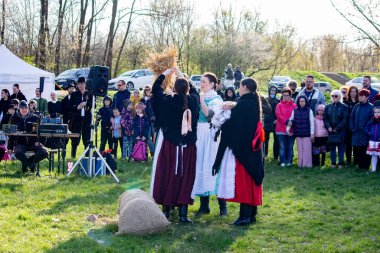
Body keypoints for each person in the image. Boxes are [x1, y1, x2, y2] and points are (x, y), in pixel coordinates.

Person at [212, 77, 264, 226]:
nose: (238, 88)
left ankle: (245, 216)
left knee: (245, 182)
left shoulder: (244, 103)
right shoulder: (253, 101)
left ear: (245, 87)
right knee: (251, 180)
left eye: (240, 86)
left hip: (244, 149)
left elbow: (234, 126)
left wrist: (222, 121)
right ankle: (251, 214)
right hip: (251, 149)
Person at [151, 67, 199, 223]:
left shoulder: (168, 101)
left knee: (168, 174)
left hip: (171, 145)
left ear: (175, 89)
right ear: (188, 88)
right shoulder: (193, 100)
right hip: (188, 146)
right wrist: (180, 74)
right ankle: (183, 215)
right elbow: (195, 90)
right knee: (185, 177)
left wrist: (165, 74)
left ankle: (166, 211)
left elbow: (155, 90)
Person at [191, 72, 227, 217]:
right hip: (199, 134)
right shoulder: (201, 95)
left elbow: (209, 115)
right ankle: (204, 205)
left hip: (211, 134)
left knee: (213, 167)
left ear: (212, 84)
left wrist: (201, 100)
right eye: (200, 81)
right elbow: (188, 82)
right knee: (200, 166)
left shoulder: (217, 99)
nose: (202, 83)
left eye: (204, 81)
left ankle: (223, 206)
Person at [8, 100, 48, 173]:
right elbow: (11, 134)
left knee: (44, 152)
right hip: (20, 143)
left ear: (28, 108)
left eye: (26, 108)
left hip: (34, 143)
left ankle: (28, 164)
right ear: (19, 108)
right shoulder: (14, 118)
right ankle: (32, 166)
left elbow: (42, 131)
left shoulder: (35, 118)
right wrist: (10, 147)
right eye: (22, 108)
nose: (24, 110)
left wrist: (40, 142)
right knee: (18, 152)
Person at [287, 95, 314, 168]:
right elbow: (291, 120)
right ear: (298, 102)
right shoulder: (295, 110)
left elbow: (312, 123)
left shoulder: (309, 111)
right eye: (300, 101)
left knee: (307, 150)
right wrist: (287, 129)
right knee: (300, 150)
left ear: (306, 102)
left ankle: (307, 165)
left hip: (307, 134)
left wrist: (312, 134)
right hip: (298, 133)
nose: (301, 102)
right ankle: (300, 164)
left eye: (303, 101)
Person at [350, 89, 373, 170]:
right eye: (359, 95)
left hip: (365, 134)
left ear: (367, 97)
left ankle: (365, 167)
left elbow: (371, 120)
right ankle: (357, 166)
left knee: (364, 151)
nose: (360, 97)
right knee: (356, 149)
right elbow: (351, 117)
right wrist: (352, 128)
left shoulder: (371, 107)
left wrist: (366, 130)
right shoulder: (356, 106)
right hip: (356, 133)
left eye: (362, 96)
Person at [69, 77, 92, 158]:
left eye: (82, 84)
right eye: (78, 84)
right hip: (76, 120)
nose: (80, 86)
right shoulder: (74, 94)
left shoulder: (89, 94)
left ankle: (87, 157)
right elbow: (70, 107)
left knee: (86, 139)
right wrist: (77, 107)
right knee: (75, 140)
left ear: (85, 84)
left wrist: (86, 104)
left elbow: (94, 105)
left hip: (87, 120)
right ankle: (73, 156)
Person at [324, 90, 348, 168]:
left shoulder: (344, 106)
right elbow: (325, 118)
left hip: (340, 131)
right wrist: (328, 127)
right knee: (332, 148)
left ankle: (340, 163)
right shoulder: (328, 107)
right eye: (332, 96)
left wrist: (337, 128)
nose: (334, 97)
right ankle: (333, 163)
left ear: (340, 97)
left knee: (341, 148)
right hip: (331, 131)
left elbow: (345, 119)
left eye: (336, 96)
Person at [275, 87, 297, 167]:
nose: (285, 97)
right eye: (283, 95)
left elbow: (296, 116)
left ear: (290, 96)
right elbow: (279, 115)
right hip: (280, 129)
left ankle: (289, 161)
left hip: (291, 129)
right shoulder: (279, 105)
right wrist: (287, 121)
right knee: (282, 146)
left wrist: (292, 122)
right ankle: (282, 161)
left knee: (290, 146)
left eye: (287, 95)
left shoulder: (294, 106)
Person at [264, 85, 279, 160]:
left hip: (275, 122)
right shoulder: (265, 99)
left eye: (274, 90)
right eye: (272, 90)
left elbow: (278, 111)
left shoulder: (278, 100)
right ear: (269, 91)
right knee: (265, 139)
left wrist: (276, 119)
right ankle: (265, 154)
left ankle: (275, 156)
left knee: (276, 140)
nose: (273, 91)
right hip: (266, 122)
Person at [344, 86, 359, 165]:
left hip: (357, 126)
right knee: (348, 145)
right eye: (351, 92)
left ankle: (356, 161)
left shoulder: (359, 102)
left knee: (356, 145)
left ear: (357, 93)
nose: (353, 93)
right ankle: (349, 161)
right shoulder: (346, 102)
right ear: (349, 93)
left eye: (354, 92)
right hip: (347, 126)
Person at [141, 85, 155, 156]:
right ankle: (152, 151)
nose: (148, 92)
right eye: (146, 90)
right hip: (146, 121)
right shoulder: (143, 100)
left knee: (154, 137)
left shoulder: (153, 99)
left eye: (149, 90)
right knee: (147, 137)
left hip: (153, 120)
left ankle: (155, 153)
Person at [366, 106, 380, 173]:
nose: (377, 113)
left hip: (379, 141)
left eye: (378, 112)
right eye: (375, 112)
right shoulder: (371, 121)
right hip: (373, 141)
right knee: (373, 155)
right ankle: (373, 169)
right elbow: (366, 128)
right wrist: (369, 133)